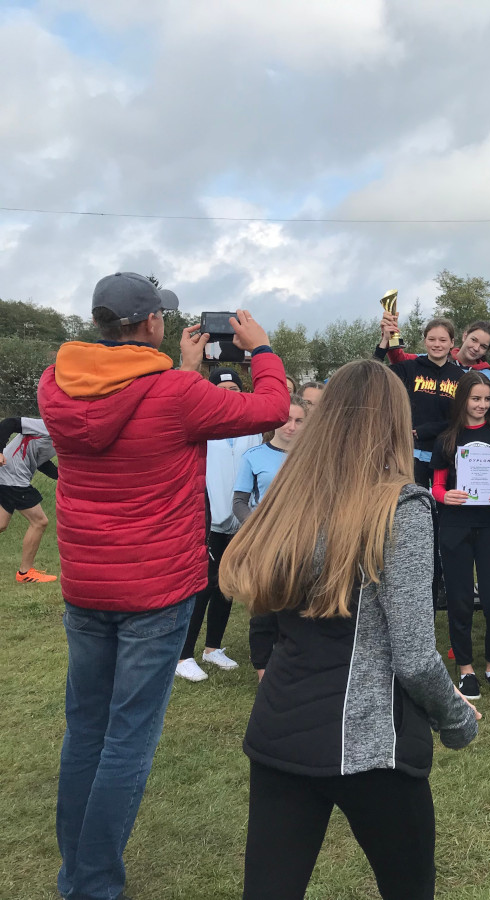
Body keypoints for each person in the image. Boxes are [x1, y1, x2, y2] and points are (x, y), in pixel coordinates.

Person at [38, 271, 286, 900]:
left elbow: (135, 403)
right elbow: (270, 408)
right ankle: (92, 885)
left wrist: (182, 370)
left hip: (88, 583)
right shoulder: (176, 392)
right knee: (127, 738)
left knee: (85, 730)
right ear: (152, 322)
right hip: (155, 590)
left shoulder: (55, 382)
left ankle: (78, 875)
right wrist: (260, 348)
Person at [218, 359, 479, 900]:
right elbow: (414, 655)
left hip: (280, 726)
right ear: (393, 423)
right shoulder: (400, 505)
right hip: (368, 741)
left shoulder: (287, 497)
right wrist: (456, 720)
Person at [431, 372, 490, 700]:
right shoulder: (447, 438)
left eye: (486, 399)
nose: (481, 405)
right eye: (475, 398)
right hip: (455, 525)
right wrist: (446, 496)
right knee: (460, 601)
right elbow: (437, 485)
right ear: (463, 400)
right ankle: (466, 669)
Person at [175, 367, 262, 682]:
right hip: (208, 520)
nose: (228, 394)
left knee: (227, 585)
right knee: (204, 586)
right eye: (221, 389)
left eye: (234, 389)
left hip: (240, 520)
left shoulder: (251, 428)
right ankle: (183, 655)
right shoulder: (201, 426)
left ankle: (212, 648)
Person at [234, 395, 307, 681]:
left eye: (299, 421)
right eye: (286, 419)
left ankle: (294, 666)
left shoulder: (312, 457)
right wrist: (258, 527)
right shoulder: (253, 456)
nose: (291, 426)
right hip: (265, 544)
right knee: (264, 607)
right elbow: (239, 502)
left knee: (298, 606)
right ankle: (264, 671)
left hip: (302, 543)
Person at [374, 317, 461, 487]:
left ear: (452, 343)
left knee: (441, 502)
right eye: (432, 339)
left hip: (445, 455)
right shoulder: (409, 368)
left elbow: (462, 418)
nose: (437, 344)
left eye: (443, 340)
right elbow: (373, 373)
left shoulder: (460, 377)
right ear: (425, 341)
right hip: (410, 454)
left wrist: (428, 430)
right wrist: (385, 341)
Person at [0, 415, 59, 583]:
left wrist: (63, 477)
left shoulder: (60, 439)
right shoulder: (47, 427)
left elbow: (40, 462)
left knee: (1, 524)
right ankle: (25, 573)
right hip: (12, 477)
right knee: (39, 522)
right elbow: (9, 423)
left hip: (9, 477)